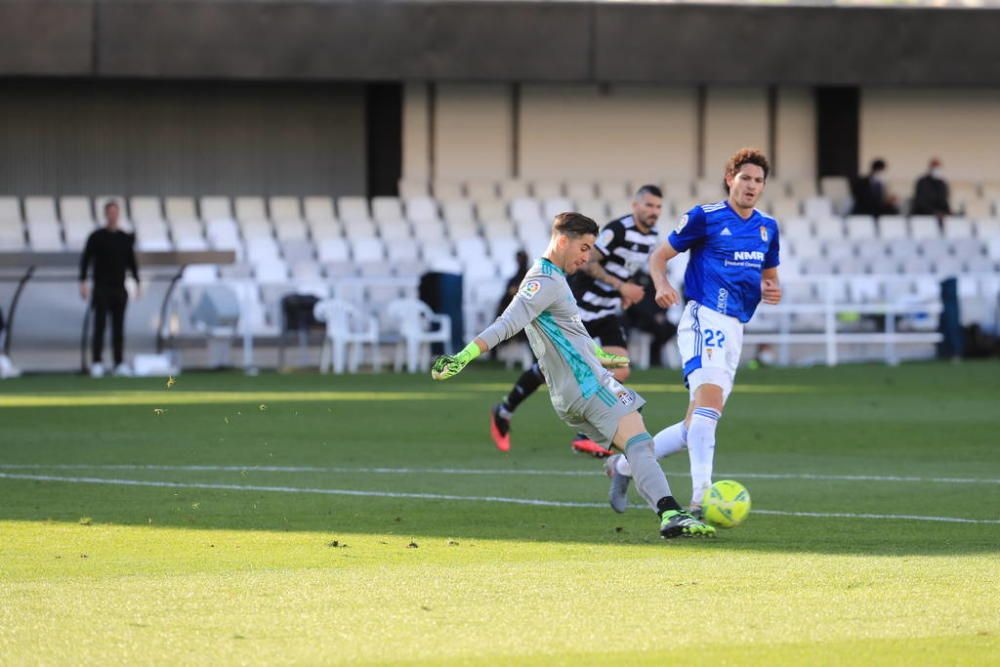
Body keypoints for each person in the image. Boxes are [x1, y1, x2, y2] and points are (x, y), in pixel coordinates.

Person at [431, 212, 715, 539]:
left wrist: (603, 356)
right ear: (563, 240)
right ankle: (669, 512)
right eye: (584, 248)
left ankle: (626, 476)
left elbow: (573, 333)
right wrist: (462, 357)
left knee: (639, 442)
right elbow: (507, 323)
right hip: (588, 386)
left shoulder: (555, 279)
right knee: (639, 444)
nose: (587, 257)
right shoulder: (543, 281)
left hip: (574, 391)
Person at [603, 148, 782, 516]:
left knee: (695, 424)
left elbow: (769, 277)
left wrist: (772, 289)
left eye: (758, 180)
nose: (751, 185)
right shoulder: (706, 217)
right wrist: (661, 284)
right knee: (709, 407)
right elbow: (658, 256)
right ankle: (703, 497)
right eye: (745, 177)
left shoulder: (768, 227)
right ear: (730, 178)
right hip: (704, 317)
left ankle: (621, 468)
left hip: (735, 327)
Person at [489, 186, 664, 454]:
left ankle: (587, 433)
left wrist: (624, 293)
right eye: (649, 205)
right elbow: (589, 264)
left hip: (606, 311)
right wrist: (621, 287)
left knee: (621, 369)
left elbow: (624, 267)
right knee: (550, 367)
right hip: (580, 308)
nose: (653, 212)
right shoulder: (617, 230)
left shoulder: (652, 237)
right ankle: (504, 410)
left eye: (657, 207)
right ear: (635, 205)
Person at [79, 200, 140, 378]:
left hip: (119, 289)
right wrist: (83, 282)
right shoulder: (96, 237)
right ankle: (97, 362)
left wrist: (137, 282)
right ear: (106, 214)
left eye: (116, 212)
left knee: (118, 328)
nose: (113, 215)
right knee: (99, 326)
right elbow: (86, 260)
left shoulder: (124, 238)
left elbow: (132, 263)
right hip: (101, 288)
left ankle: (118, 362)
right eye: (110, 212)